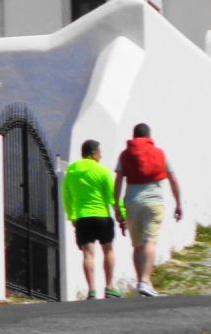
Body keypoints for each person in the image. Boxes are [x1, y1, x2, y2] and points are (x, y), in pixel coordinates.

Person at [113, 123, 183, 297]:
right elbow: (173, 179)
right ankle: (145, 281)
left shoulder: (125, 155)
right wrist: (178, 203)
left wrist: (116, 206)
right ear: (150, 137)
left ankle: (141, 284)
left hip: (132, 202)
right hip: (154, 202)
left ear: (133, 136)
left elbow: (118, 181)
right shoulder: (159, 153)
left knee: (137, 246)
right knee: (149, 242)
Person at [62, 139, 120, 298]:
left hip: (82, 217)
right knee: (107, 249)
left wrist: (71, 215)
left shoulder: (72, 171)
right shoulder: (102, 171)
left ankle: (92, 290)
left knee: (88, 254)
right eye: (99, 152)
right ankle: (109, 287)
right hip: (101, 215)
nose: (101, 155)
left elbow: (67, 196)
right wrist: (121, 212)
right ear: (94, 153)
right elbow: (112, 196)